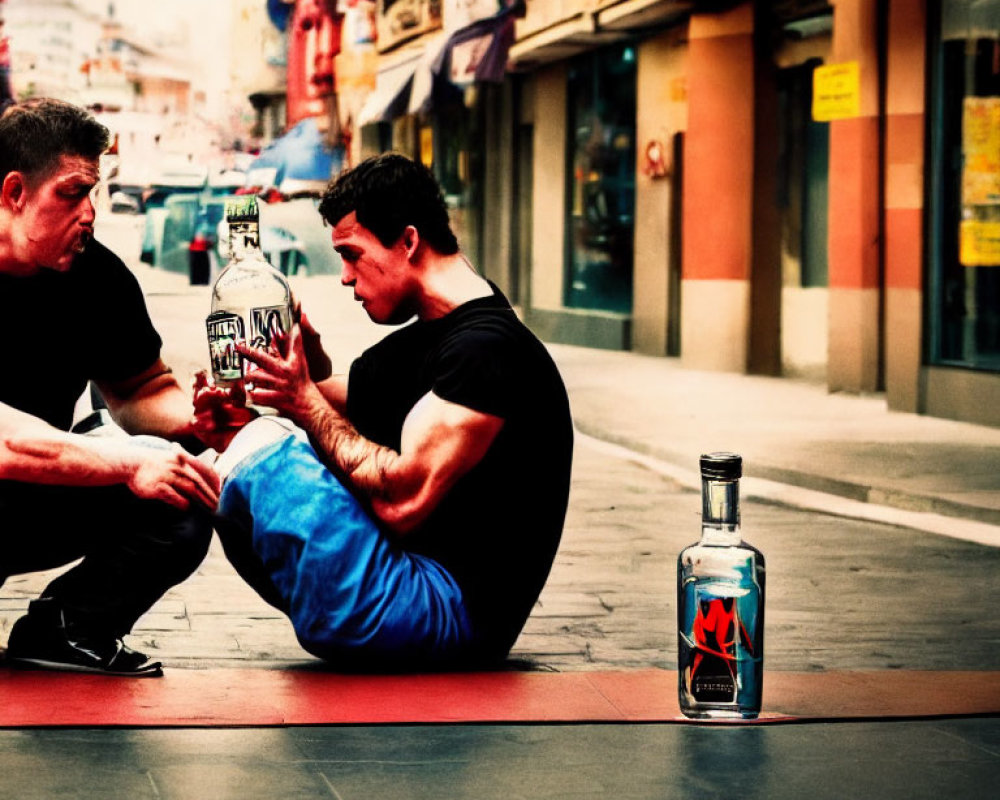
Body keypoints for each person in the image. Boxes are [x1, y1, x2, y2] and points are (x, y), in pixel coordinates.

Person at [196, 153, 574, 670]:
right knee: (223, 471)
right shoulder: (421, 343)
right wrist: (256, 402)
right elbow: (334, 404)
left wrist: (299, 406)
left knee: (265, 451)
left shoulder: (487, 351)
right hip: (401, 590)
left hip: (444, 612)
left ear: (409, 241)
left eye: (352, 255)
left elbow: (401, 497)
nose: (346, 278)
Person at [0, 98, 220, 677]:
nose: (90, 213)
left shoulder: (94, 275)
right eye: (72, 193)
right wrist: (123, 464)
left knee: (180, 492)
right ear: (15, 192)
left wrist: (198, 421)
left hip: (27, 491)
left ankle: (69, 627)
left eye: (93, 193)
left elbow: (141, 387)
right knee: (140, 467)